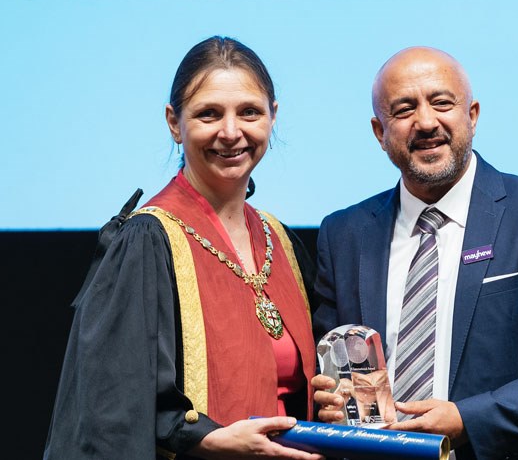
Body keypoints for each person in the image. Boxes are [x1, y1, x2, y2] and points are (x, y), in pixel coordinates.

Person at [311, 46, 518, 460]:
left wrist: (468, 420)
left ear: (472, 115)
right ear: (379, 132)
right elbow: (335, 373)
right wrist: (333, 401)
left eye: (442, 103)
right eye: (404, 110)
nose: (426, 122)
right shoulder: (344, 234)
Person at [44, 36, 323, 460]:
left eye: (249, 112)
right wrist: (206, 439)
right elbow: (112, 410)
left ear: (273, 117)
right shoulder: (146, 242)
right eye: (209, 114)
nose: (231, 133)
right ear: (174, 122)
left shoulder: (280, 240)